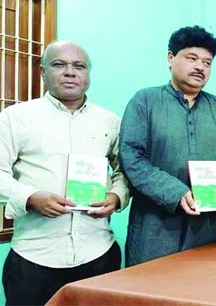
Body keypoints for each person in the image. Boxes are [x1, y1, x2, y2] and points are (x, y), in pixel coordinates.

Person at [0, 41, 129, 305]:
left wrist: (116, 197)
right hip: (34, 256)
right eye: (59, 64)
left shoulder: (110, 121)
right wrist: (29, 197)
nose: (70, 72)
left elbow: (124, 172)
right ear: (42, 71)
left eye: (79, 66)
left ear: (88, 74)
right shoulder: (15, 118)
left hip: (98, 254)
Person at [119, 26, 216, 266]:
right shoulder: (145, 101)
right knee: (150, 296)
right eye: (192, 58)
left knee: (205, 295)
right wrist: (176, 193)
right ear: (171, 58)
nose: (200, 67)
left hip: (210, 230)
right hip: (155, 229)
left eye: (207, 62)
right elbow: (131, 158)